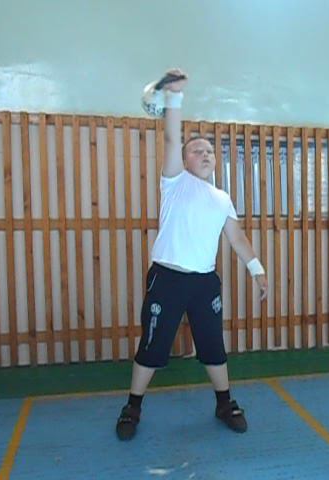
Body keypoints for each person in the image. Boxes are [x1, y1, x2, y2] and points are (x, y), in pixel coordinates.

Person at [116, 68, 268, 441]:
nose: (205, 154)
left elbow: (237, 238)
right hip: (167, 279)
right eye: (197, 150)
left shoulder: (221, 198)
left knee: (213, 345)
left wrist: (257, 270)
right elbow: (171, 137)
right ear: (184, 160)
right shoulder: (174, 182)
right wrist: (175, 95)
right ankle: (132, 407)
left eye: (210, 151)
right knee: (152, 347)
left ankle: (225, 403)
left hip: (203, 283)